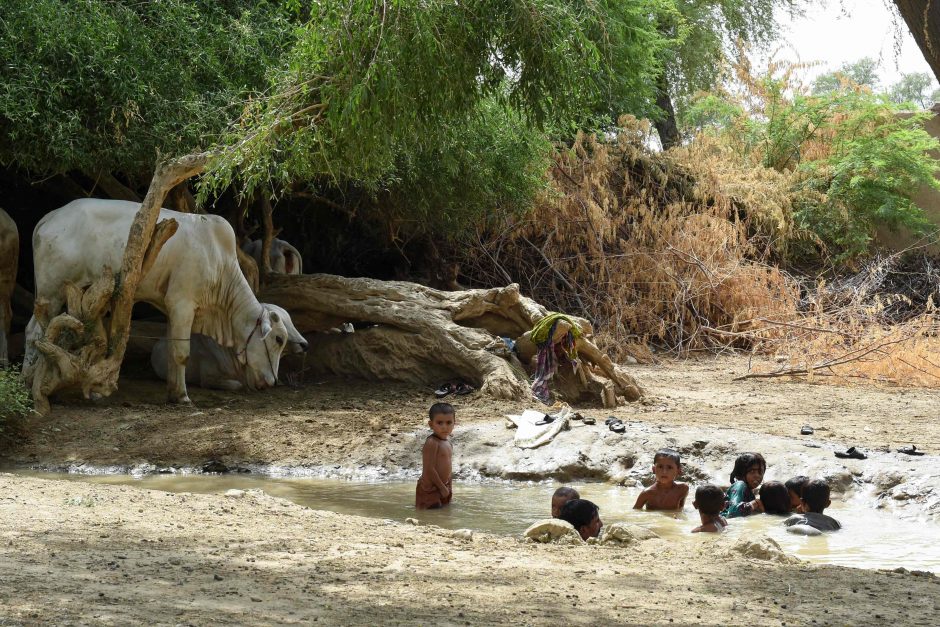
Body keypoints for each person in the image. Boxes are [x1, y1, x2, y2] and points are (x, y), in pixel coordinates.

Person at [415, 402, 455, 510]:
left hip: (443, 486)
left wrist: (448, 485)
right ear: (431, 424)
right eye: (439, 423)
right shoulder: (432, 443)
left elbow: (448, 466)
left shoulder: (448, 442)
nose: (444, 427)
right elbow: (429, 469)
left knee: (444, 512)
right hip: (430, 489)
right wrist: (441, 487)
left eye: (448, 423)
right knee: (429, 513)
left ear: (454, 423)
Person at [722, 452, 766, 518]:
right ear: (741, 473)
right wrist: (755, 503)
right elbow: (732, 513)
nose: (757, 475)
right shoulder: (740, 485)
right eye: (752, 471)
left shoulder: (750, 493)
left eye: (760, 472)